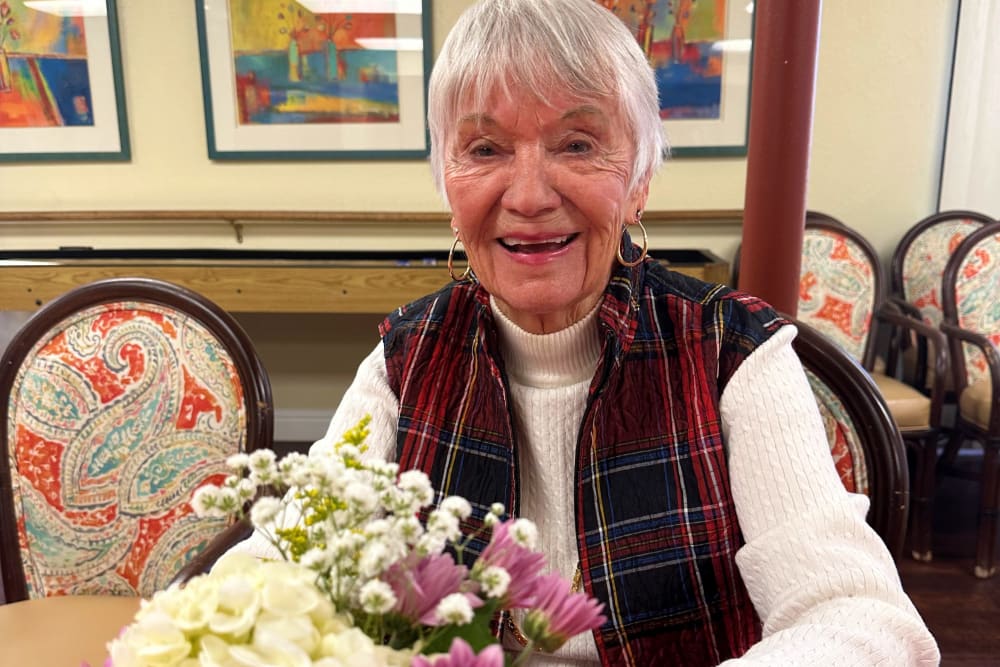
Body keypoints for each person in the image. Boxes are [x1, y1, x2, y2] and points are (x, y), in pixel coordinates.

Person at [243, 0, 939, 664]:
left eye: (578, 143)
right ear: (447, 185)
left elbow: (857, 614)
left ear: (638, 178)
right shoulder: (405, 359)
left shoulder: (732, 354)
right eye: (484, 148)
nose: (529, 195)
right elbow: (275, 564)